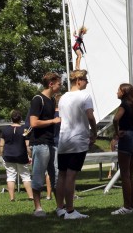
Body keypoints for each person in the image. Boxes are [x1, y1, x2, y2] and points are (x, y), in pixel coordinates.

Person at [55, 69, 97, 220]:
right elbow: (90, 116)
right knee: (71, 175)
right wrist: (95, 131)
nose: (87, 82)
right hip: (78, 140)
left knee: (62, 174)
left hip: (63, 139)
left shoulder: (63, 98)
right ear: (79, 81)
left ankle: (60, 208)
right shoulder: (85, 96)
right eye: (86, 80)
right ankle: (70, 211)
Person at [29, 72, 61, 217]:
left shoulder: (52, 100)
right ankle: (38, 208)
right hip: (40, 143)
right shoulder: (38, 99)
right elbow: (33, 123)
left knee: (55, 175)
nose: (60, 86)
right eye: (59, 83)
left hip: (51, 143)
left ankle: (60, 206)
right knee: (38, 176)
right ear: (51, 84)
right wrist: (52, 121)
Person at [111, 83, 133, 216]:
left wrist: (116, 133)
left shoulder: (124, 105)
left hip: (126, 139)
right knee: (130, 175)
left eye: (118, 90)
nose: (116, 92)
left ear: (123, 92)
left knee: (124, 175)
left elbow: (115, 119)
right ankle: (131, 205)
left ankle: (126, 207)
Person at [0, 109, 33, 201]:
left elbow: (1, 144)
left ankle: (12, 197)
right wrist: (30, 156)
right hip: (21, 156)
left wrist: (2, 154)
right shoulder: (25, 130)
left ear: (11, 118)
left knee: (10, 176)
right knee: (25, 176)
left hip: (8, 155)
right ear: (20, 119)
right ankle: (30, 196)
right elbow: (27, 145)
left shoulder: (5, 129)